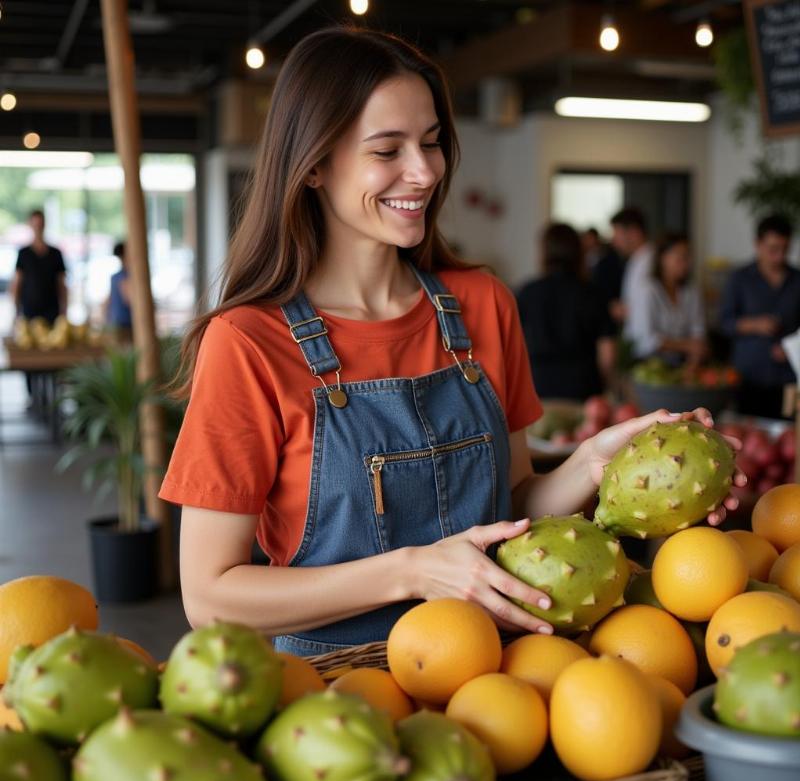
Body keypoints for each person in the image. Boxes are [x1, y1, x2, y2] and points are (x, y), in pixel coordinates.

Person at [159, 27, 741, 657]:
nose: (425, 170)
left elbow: (513, 502)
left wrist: (591, 464)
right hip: (335, 704)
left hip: (493, 678)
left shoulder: (482, 305)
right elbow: (211, 598)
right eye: (388, 150)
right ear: (315, 165)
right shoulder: (248, 343)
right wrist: (412, 572)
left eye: (432, 142)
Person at [516, 223, 616, 401]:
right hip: (583, 389)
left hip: (537, 386)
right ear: (579, 252)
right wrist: (606, 385)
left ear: (544, 252)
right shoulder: (593, 293)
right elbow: (607, 353)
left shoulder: (527, 292)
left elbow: (515, 348)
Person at [720, 214, 800, 419]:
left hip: (788, 378)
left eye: (784, 249)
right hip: (748, 377)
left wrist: (792, 346)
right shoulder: (740, 278)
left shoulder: (797, 279)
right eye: (773, 249)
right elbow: (725, 323)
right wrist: (753, 324)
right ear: (758, 244)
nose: (779, 256)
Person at [627, 233, 708, 367]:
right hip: (648, 366)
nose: (686, 262)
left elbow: (698, 332)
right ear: (663, 258)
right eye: (680, 257)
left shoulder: (691, 291)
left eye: (688, 256)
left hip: (682, 365)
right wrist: (686, 345)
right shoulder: (648, 290)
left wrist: (693, 363)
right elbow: (646, 340)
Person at [9, 209, 67, 324]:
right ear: (30, 225)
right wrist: (15, 311)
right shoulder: (24, 254)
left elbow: (61, 284)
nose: (38, 228)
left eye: (40, 224)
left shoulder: (55, 254)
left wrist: (64, 310)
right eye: (35, 224)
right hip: (29, 311)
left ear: (44, 225)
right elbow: (17, 283)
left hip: (51, 311)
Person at [610, 207, 654, 330]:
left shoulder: (651, 263)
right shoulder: (636, 260)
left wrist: (625, 311)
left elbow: (648, 308)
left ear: (634, 233)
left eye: (617, 235)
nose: (614, 242)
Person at [105, 241, 133, 342]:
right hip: (125, 324)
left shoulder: (115, 277)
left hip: (115, 322)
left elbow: (107, 301)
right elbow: (128, 299)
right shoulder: (125, 276)